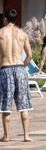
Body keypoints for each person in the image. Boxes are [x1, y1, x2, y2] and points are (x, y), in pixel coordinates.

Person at [0, 11, 33, 143]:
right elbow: (29, 55)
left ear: (5, 19)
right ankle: (26, 136)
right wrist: (22, 66)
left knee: (6, 104)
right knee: (23, 104)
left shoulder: (1, 33)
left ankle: (7, 136)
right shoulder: (23, 34)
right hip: (20, 69)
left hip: (6, 69)